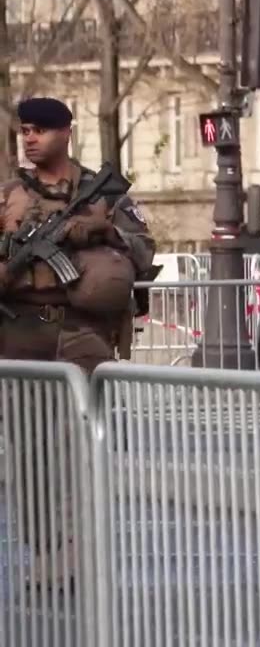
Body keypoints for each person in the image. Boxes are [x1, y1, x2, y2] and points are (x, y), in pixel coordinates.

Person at [0, 96, 157, 589]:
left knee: (81, 448)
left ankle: (77, 552)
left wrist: (101, 229)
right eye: (25, 130)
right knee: (29, 454)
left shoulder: (101, 192)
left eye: (40, 130)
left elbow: (144, 249)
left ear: (67, 131)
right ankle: (44, 552)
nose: (30, 139)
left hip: (84, 332)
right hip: (22, 329)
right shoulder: (8, 196)